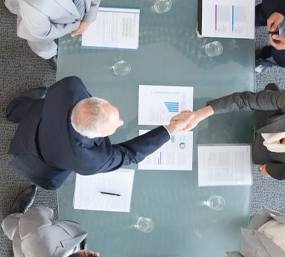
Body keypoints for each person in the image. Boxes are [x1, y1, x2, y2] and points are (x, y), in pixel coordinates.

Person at [6, 76, 194, 190]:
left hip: (39, 118)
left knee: (26, 107)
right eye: (111, 127)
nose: (121, 123)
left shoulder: (72, 87)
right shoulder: (90, 161)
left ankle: (12, 111)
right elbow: (130, 154)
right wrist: (172, 129)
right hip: (42, 161)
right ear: (90, 136)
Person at [171, 84, 285, 180]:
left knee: (199, 154)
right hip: (257, 117)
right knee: (196, 111)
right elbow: (246, 100)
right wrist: (200, 114)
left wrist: (270, 170)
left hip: (259, 151)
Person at [1, 185, 100, 257]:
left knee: (17, 228)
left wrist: (48, 213)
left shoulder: (40, 237)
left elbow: (33, 216)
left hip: (30, 236)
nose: (98, 254)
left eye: (91, 254)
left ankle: (13, 217)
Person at [4, 0, 101, 70]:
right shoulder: (35, 5)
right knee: (39, 42)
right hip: (38, 22)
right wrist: (75, 26)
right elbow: (42, 33)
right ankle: (50, 54)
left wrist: (89, 16)